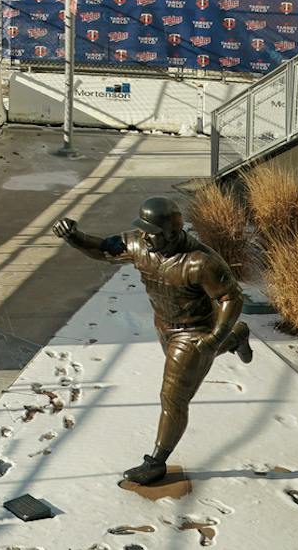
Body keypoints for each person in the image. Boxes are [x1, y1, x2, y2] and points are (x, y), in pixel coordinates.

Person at [53, 196, 253, 485]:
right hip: (163, 327)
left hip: (194, 332)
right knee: (191, 370)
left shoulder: (200, 262)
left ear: (173, 233)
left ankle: (156, 462)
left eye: (153, 232)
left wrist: (215, 335)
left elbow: (230, 297)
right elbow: (102, 249)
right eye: (143, 229)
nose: (145, 236)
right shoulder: (139, 245)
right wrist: (74, 236)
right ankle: (237, 337)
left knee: (173, 398)